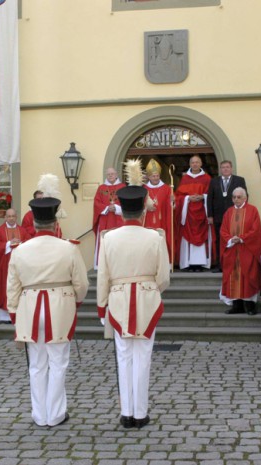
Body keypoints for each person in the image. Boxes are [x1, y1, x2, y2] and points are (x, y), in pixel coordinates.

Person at [97, 161, 170, 429]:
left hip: (117, 301)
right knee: (143, 357)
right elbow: (164, 278)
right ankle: (140, 413)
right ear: (142, 212)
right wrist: (150, 289)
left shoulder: (109, 238)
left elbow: (103, 277)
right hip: (148, 300)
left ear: (122, 211)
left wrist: (102, 306)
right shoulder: (155, 237)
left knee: (123, 356)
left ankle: (126, 412)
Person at [7, 196, 89, 428]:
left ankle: (39, 414)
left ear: (33, 224)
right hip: (60, 307)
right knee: (58, 361)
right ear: (55, 224)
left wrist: (15, 315)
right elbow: (81, 285)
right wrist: (76, 302)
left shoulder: (20, 250)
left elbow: (12, 287)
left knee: (37, 364)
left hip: (30, 307)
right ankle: (55, 413)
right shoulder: (69, 248)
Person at [219, 187, 261, 315]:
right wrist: (231, 239)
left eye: (239, 197)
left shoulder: (252, 210)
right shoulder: (228, 212)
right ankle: (236, 306)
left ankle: (250, 306)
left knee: (248, 276)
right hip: (232, 250)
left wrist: (242, 238)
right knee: (233, 276)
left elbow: (256, 230)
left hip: (247, 249)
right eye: (234, 197)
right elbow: (223, 230)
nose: (236, 199)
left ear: (245, 198)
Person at [0, 209, 31, 324]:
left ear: (16, 217)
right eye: (9, 216)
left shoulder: (22, 230)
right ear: (5, 218)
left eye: (13, 216)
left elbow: (29, 243)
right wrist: (9, 243)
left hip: (20, 266)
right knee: (5, 287)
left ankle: (18, 314)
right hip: (5, 266)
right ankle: (5, 317)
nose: (11, 218)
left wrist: (21, 243)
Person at [207, 160, 247, 270]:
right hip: (218, 216)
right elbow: (210, 198)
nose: (225, 169)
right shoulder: (214, 181)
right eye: (223, 167)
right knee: (220, 240)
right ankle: (221, 264)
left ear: (231, 168)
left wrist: (243, 212)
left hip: (235, 216)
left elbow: (245, 197)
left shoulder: (239, 180)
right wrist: (210, 215)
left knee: (234, 238)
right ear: (220, 169)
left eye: (227, 167)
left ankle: (234, 263)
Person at [175, 155, 212, 271]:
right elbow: (178, 196)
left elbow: (211, 195)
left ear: (201, 164)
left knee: (201, 237)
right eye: (193, 163)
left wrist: (203, 196)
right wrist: (187, 198)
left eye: (197, 162)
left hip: (202, 212)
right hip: (188, 214)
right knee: (187, 237)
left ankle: (200, 263)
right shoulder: (185, 179)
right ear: (190, 164)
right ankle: (188, 264)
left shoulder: (207, 178)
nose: (195, 164)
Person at [92, 167, 126, 268]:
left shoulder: (123, 187)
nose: (110, 176)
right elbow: (96, 203)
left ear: (116, 175)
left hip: (119, 220)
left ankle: (120, 264)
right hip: (105, 220)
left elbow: (127, 202)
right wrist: (107, 208)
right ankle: (103, 265)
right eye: (108, 174)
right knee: (105, 242)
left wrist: (116, 208)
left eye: (112, 174)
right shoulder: (101, 188)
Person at [143, 159, 174, 261]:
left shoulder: (167, 189)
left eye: (157, 176)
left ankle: (165, 261)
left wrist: (173, 201)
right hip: (147, 220)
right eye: (153, 176)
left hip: (162, 221)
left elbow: (172, 205)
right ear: (148, 177)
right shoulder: (144, 189)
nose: (155, 178)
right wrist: (145, 206)